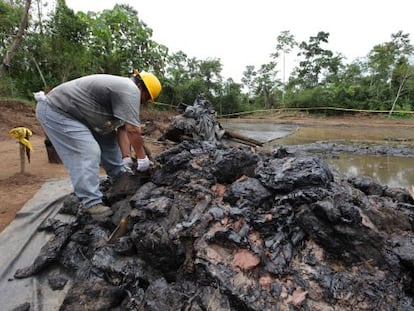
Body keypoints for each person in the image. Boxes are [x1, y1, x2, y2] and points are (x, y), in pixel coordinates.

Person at [34, 71, 162, 220]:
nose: (143, 103)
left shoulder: (122, 92)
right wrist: (142, 158)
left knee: (108, 141)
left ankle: (119, 179)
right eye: (146, 98)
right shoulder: (130, 89)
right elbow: (133, 129)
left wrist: (126, 157)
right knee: (88, 151)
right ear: (140, 86)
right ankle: (91, 202)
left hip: (84, 116)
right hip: (57, 111)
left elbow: (121, 129)